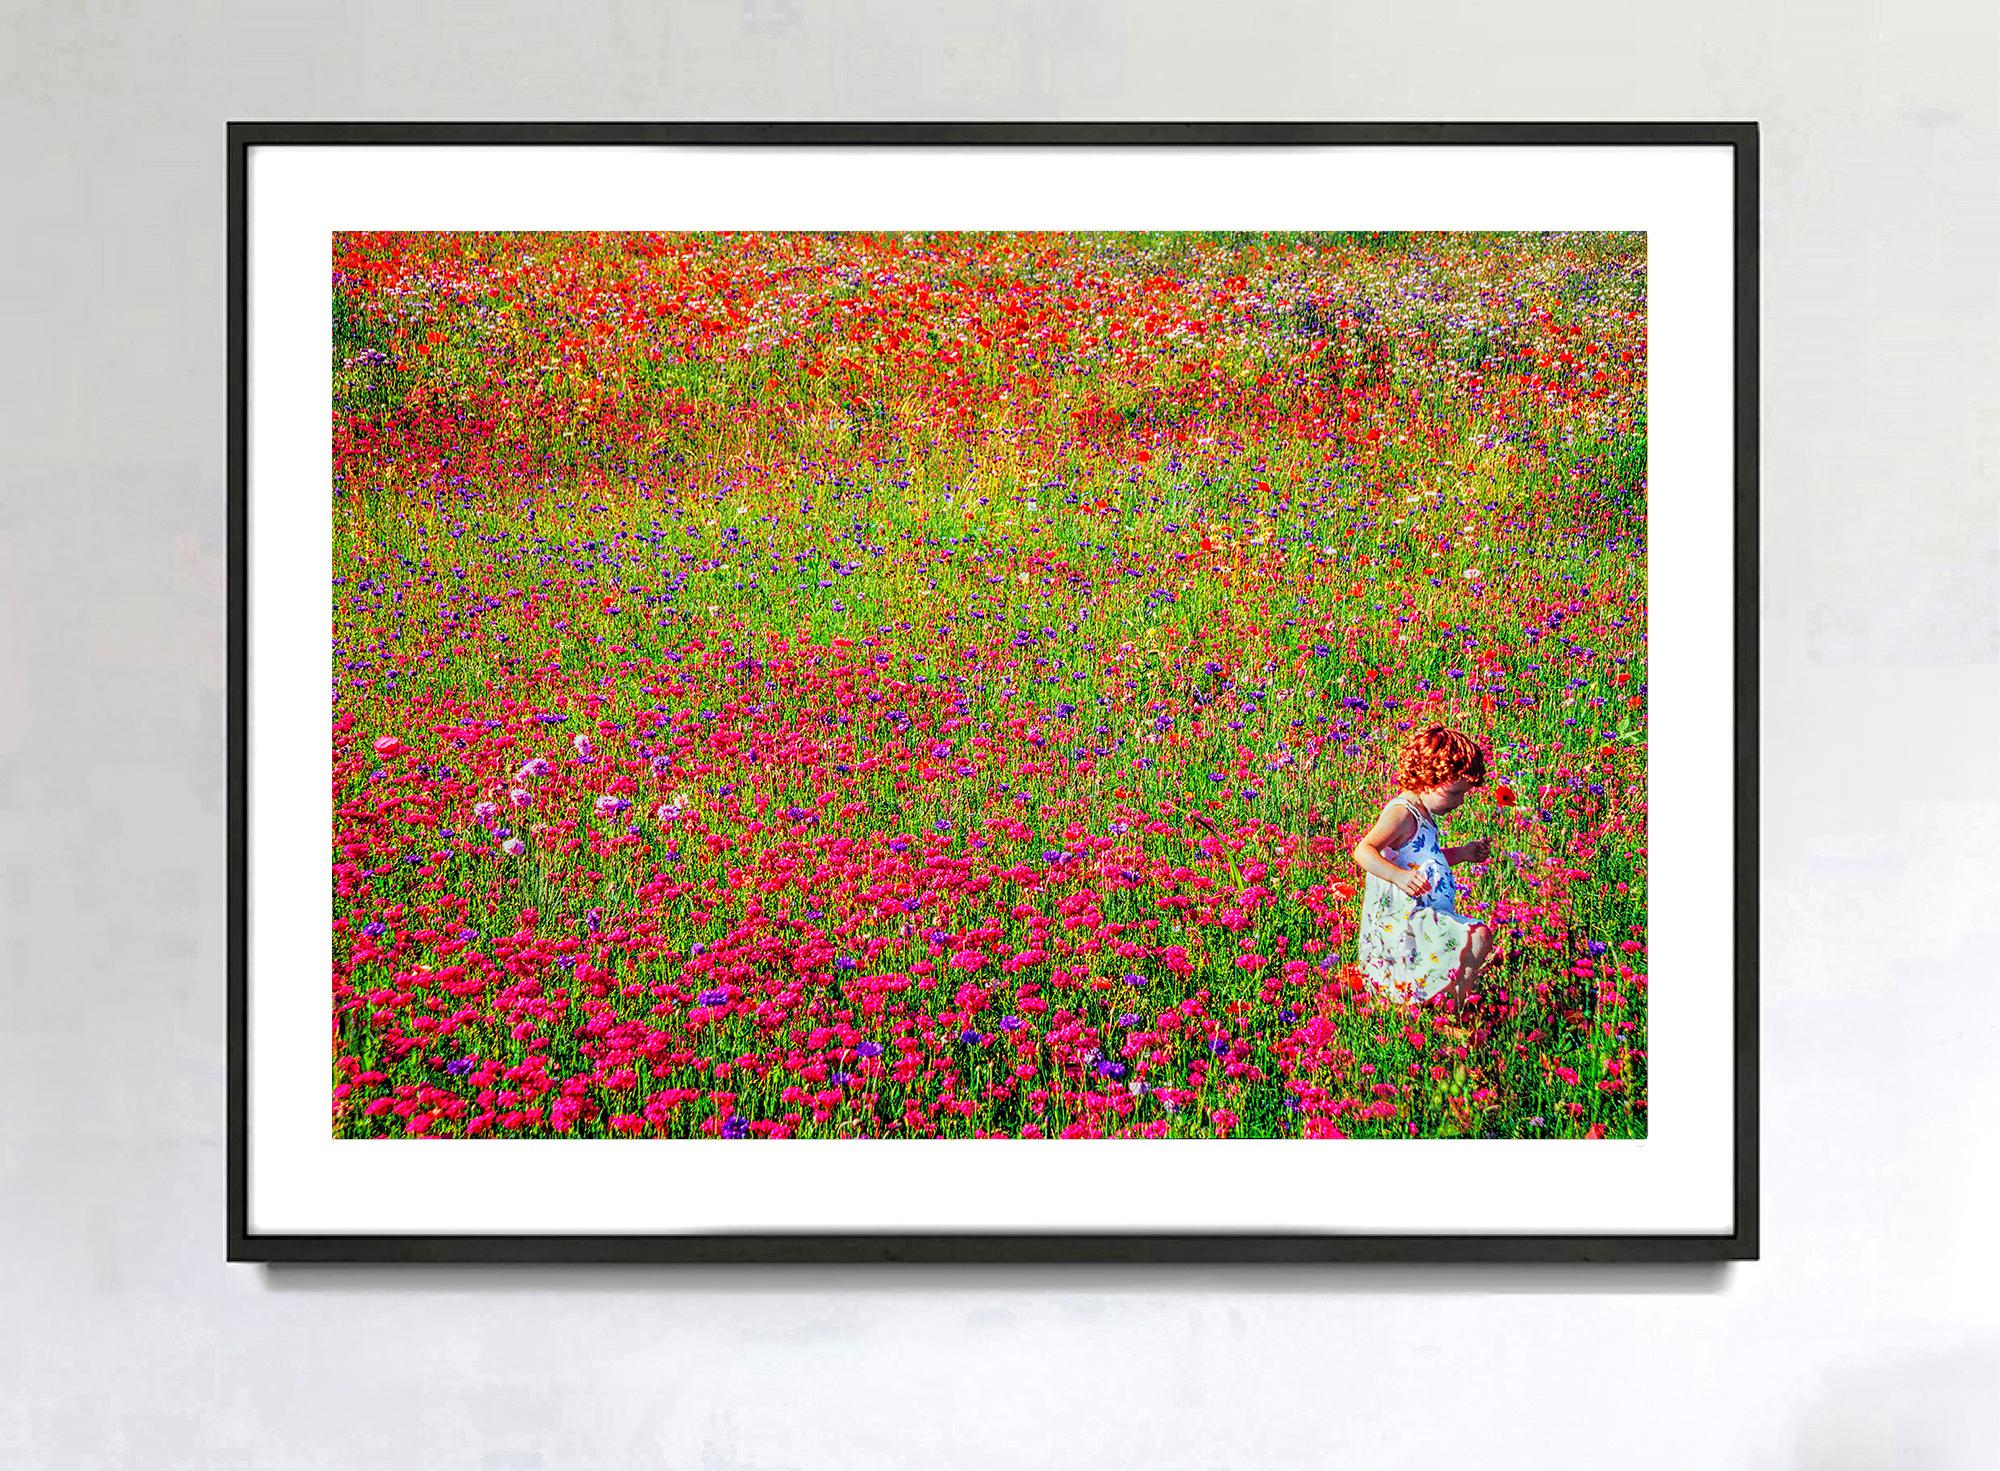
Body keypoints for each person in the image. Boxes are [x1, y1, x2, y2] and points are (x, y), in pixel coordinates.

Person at [1349, 725, 1497, 1005]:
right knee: (1478, 936)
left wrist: (1463, 853)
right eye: (1454, 793)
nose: (1460, 801)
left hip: (1425, 912)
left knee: (1473, 943)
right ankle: (1448, 1011)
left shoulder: (1423, 815)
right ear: (1428, 778)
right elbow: (1363, 851)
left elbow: (1426, 860)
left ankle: (1443, 1009)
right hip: (1405, 921)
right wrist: (1398, 877)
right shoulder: (1402, 812)